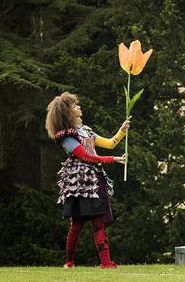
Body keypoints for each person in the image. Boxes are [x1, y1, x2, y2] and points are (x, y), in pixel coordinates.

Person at [45, 92, 128, 269]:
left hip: (95, 180)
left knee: (99, 222)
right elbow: (86, 157)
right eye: (75, 106)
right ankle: (69, 262)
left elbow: (111, 143)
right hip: (79, 184)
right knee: (76, 224)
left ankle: (106, 263)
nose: (79, 107)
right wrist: (112, 160)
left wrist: (121, 131)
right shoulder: (67, 137)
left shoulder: (86, 131)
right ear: (67, 112)